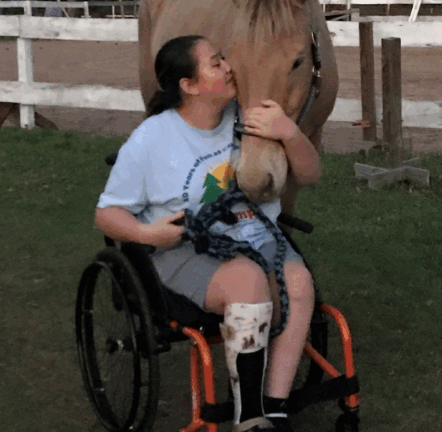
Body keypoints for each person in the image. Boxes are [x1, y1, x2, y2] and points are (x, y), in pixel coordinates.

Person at [94, 35, 321, 432]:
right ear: (189, 85)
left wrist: (289, 132)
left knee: (299, 282)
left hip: (253, 232)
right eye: (216, 63)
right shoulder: (151, 139)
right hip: (184, 246)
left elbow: (310, 175)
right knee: (247, 281)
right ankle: (249, 417)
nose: (229, 66)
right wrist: (148, 235)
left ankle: (275, 405)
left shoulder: (248, 116)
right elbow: (107, 214)